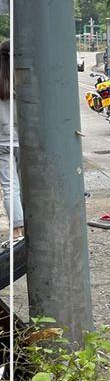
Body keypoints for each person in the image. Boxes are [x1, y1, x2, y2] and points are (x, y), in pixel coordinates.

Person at [0, 40, 23, 239]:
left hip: (2, 142)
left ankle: (16, 230)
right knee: (27, 184)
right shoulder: (22, 79)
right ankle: (29, 222)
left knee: (9, 187)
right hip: (23, 139)